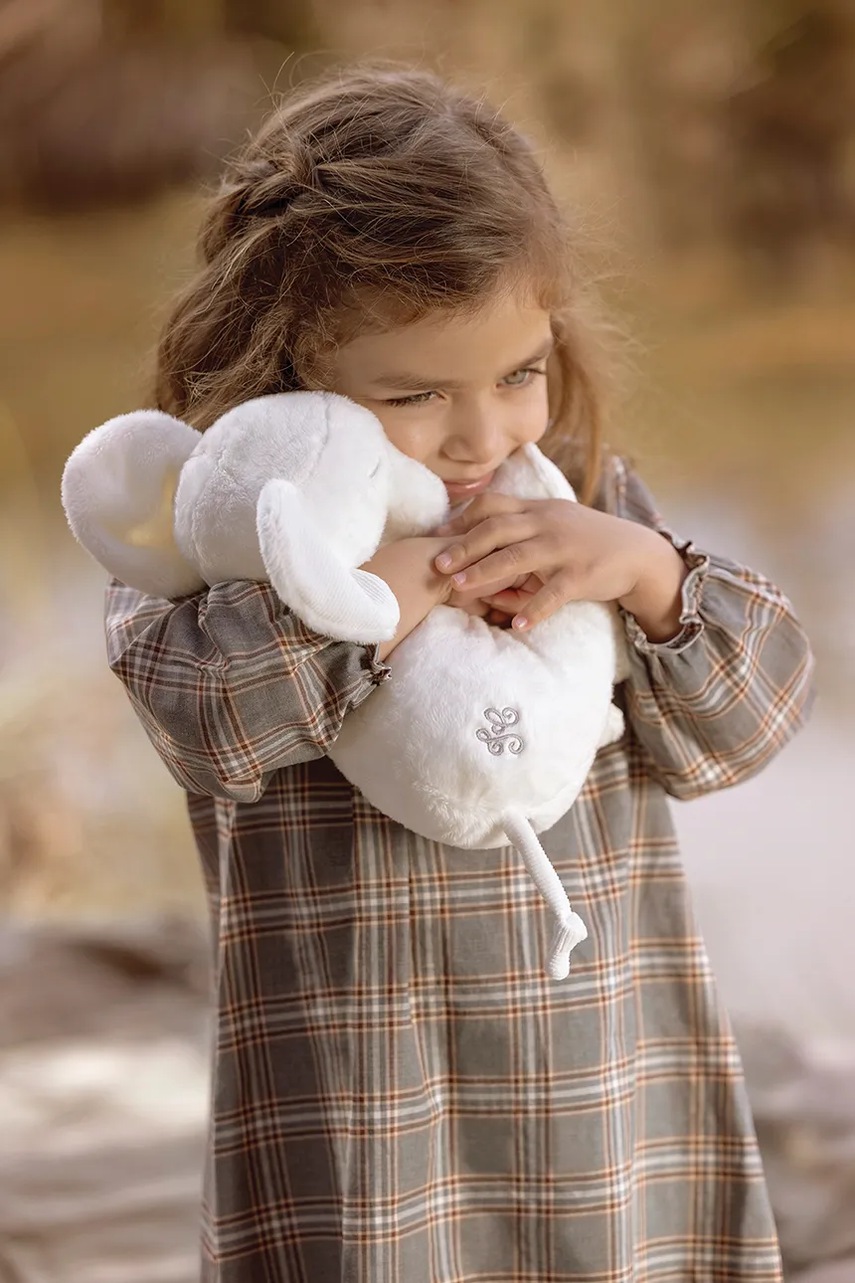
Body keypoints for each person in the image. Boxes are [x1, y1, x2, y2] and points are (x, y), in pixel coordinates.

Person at [103, 64, 815, 1282]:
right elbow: (206, 721)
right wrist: (387, 590)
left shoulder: (576, 505)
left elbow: (747, 725)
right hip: (373, 1113)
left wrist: (642, 568)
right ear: (284, 379)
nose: (482, 437)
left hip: (605, 1088)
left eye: (518, 373)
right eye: (415, 393)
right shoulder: (211, 552)